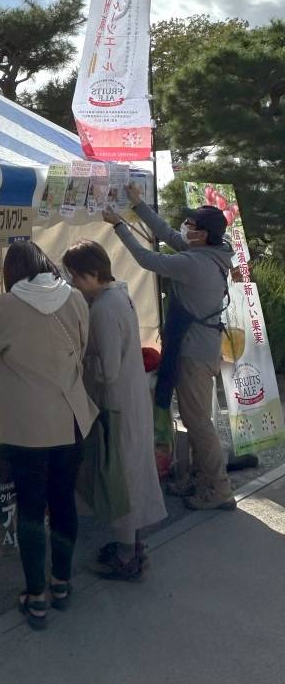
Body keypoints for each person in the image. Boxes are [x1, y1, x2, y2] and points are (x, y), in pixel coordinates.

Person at [0, 241, 97, 630]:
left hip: (25, 428)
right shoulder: (74, 298)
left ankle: (36, 596)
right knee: (63, 504)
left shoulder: (7, 305)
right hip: (71, 421)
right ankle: (62, 584)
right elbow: (84, 345)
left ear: (10, 271)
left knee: (30, 508)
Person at [104, 186, 236, 511]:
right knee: (194, 419)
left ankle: (219, 489)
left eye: (191, 226)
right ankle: (199, 478)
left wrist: (119, 225)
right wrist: (138, 204)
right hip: (199, 347)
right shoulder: (212, 252)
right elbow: (165, 234)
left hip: (194, 351)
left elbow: (147, 259)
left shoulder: (195, 263)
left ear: (203, 235)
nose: (185, 229)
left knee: (198, 423)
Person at [62, 240, 167, 580]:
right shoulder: (119, 295)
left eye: (75, 277)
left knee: (118, 480)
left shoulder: (104, 309)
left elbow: (106, 371)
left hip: (116, 405)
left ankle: (126, 557)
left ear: (93, 273)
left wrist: (78, 363)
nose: (73, 284)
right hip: (131, 401)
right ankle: (133, 547)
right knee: (131, 474)